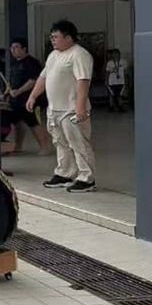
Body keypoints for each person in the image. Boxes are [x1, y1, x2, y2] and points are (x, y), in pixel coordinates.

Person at [27, 20, 96, 193]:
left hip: (72, 110)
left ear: (69, 37)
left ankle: (87, 178)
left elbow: (83, 81)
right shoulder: (53, 55)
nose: (53, 40)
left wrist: (80, 107)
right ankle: (65, 173)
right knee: (60, 143)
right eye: (52, 37)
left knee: (79, 143)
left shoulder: (79, 54)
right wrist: (33, 96)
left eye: (56, 37)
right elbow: (43, 78)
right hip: (55, 110)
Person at [7, 39, 52, 154]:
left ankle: (44, 147)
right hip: (16, 100)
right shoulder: (14, 64)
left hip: (30, 99)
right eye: (12, 48)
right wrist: (7, 93)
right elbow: (11, 82)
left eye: (16, 47)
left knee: (33, 123)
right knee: (17, 123)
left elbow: (33, 81)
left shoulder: (32, 63)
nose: (13, 50)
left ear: (24, 49)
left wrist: (19, 92)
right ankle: (18, 146)